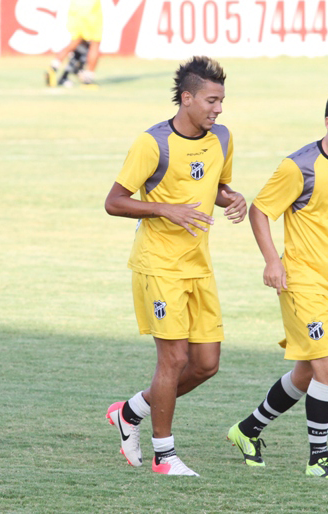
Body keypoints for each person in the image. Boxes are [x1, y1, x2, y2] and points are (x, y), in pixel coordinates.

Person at [104, 56, 247, 476]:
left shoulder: (221, 137)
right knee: (174, 358)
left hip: (199, 266)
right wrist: (166, 209)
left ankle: (130, 411)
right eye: (211, 100)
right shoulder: (153, 143)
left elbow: (214, 186)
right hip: (159, 265)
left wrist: (231, 197)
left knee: (206, 364)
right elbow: (114, 201)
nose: (218, 109)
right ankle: (164, 456)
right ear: (187, 99)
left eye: (221, 101)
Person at [226, 87, 328, 480]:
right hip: (300, 281)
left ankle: (247, 430)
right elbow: (260, 211)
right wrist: (273, 261)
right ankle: (318, 459)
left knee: (308, 373)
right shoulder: (300, 166)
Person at [46, 0, 102, 87]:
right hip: (91, 10)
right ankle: (88, 79)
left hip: (75, 9)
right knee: (95, 44)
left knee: (74, 43)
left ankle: (54, 67)